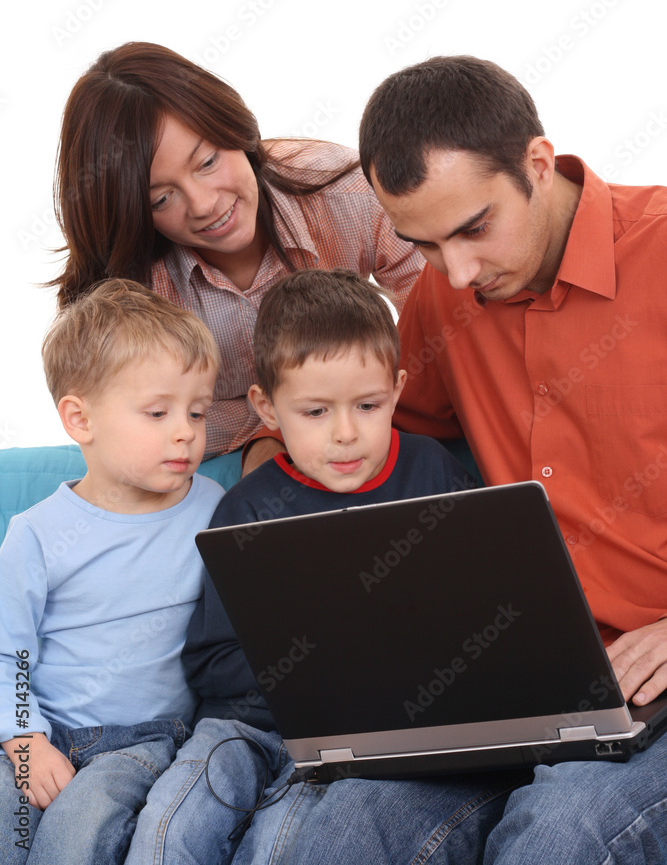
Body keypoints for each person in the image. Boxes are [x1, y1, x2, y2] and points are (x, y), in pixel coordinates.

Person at [354, 54, 667, 861]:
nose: (454, 271)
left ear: (536, 163)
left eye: (472, 229)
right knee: (332, 827)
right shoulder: (447, 293)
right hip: (515, 674)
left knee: (557, 836)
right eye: (421, 244)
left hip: (654, 678)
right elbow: (384, 446)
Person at [125, 267, 476, 865]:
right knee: (172, 829)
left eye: (367, 405)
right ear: (266, 405)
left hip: (380, 735)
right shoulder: (249, 508)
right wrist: (323, 675)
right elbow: (212, 660)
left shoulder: (431, 473)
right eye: (314, 412)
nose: (346, 434)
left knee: (284, 846)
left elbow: (482, 605)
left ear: (396, 389)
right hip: (252, 729)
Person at [51, 42, 425, 467]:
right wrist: (270, 429)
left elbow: (441, 336)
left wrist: (279, 427)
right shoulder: (132, 287)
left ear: (237, 130)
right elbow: (137, 429)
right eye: (161, 199)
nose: (204, 204)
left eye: (208, 162)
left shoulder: (346, 192)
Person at [0, 279, 225, 865]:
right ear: (80, 419)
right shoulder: (36, 534)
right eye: (158, 412)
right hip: (39, 733)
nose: (186, 431)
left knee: (79, 833)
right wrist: (26, 744)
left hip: (149, 739)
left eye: (197, 412)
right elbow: (8, 656)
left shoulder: (211, 510)